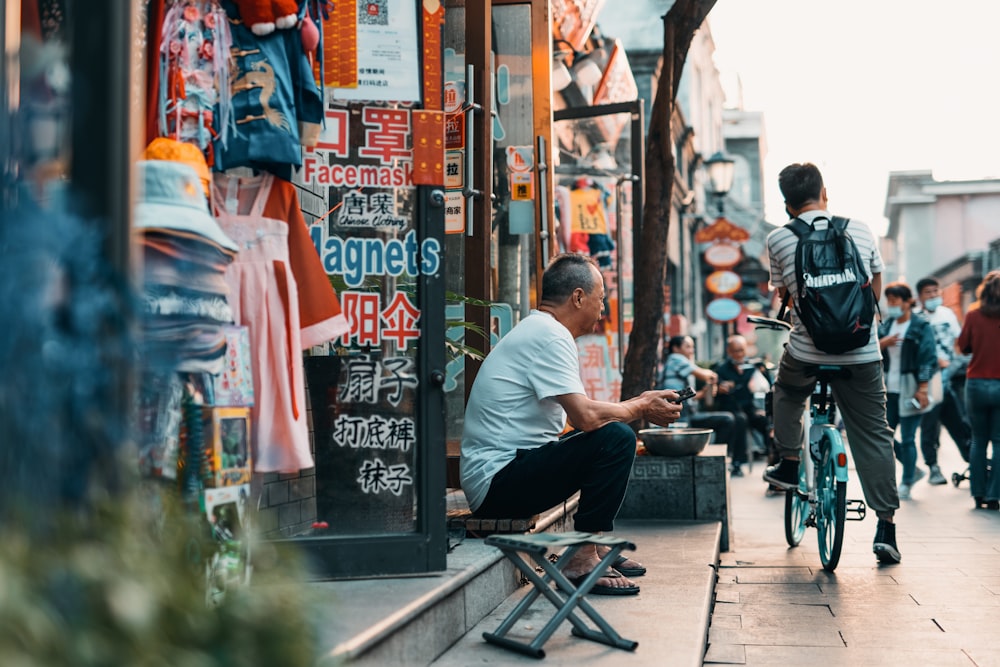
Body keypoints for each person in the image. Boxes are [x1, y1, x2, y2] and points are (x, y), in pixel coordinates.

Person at [460, 253, 684, 595]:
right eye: (601, 300)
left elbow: (581, 417)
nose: (603, 310)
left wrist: (637, 404)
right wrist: (641, 405)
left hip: (505, 474)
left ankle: (595, 546)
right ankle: (580, 557)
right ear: (578, 297)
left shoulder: (543, 330)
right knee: (616, 439)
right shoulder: (549, 335)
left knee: (610, 435)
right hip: (498, 483)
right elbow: (586, 417)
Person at [763, 162, 901, 564]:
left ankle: (789, 462)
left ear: (787, 205)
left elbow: (784, 290)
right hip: (861, 353)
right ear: (825, 193)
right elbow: (875, 281)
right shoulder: (858, 228)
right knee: (874, 433)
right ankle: (886, 526)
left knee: (787, 391)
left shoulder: (779, 238)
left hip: (808, 352)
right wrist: (868, 322)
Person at [878, 282, 939, 500]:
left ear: (906, 302)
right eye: (889, 300)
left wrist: (922, 387)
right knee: (884, 435)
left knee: (909, 436)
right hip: (887, 388)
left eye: (895, 300)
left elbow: (928, 358)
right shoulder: (885, 327)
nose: (891, 304)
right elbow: (872, 350)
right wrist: (882, 343)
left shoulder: (920, 326)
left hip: (910, 387)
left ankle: (906, 481)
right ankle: (913, 470)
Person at [915, 276, 973, 478]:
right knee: (930, 425)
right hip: (929, 380)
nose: (933, 295)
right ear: (920, 296)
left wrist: (957, 361)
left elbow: (959, 341)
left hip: (952, 375)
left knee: (959, 421)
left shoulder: (947, 314)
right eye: (928, 293)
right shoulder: (917, 318)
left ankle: (972, 461)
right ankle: (933, 467)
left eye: (935, 291)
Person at [658, 335, 740, 471]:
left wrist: (704, 393)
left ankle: (717, 460)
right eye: (688, 346)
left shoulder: (675, 365)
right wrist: (714, 377)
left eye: (693, 347)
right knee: (727, 420)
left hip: (686, 414)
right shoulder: (676, 359)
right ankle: (716, 463)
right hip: (679, 418)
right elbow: (705, 374)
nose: (691, 350)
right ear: (675, 348)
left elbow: (690, 398)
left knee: (727, 419)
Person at [956, 270, 1000, 510]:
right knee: (999, 442)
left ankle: (978, 494)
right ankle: (994, 496)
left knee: (978, 441)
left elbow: (963, 347)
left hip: (976, 384)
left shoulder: (973, 315)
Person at [713, 335, 770, 477]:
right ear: (729, 351)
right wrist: (721, 388)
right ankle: (737, 462)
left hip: (749, 407)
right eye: (736, 351)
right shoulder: (721, 369)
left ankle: (773, 457)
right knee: (740, 420)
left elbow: (767, 385)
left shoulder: (752, 366)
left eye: (742, 351)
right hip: (730, 408)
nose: (739, 354)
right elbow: (715, 393)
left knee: (766, 420)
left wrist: (763, 372)